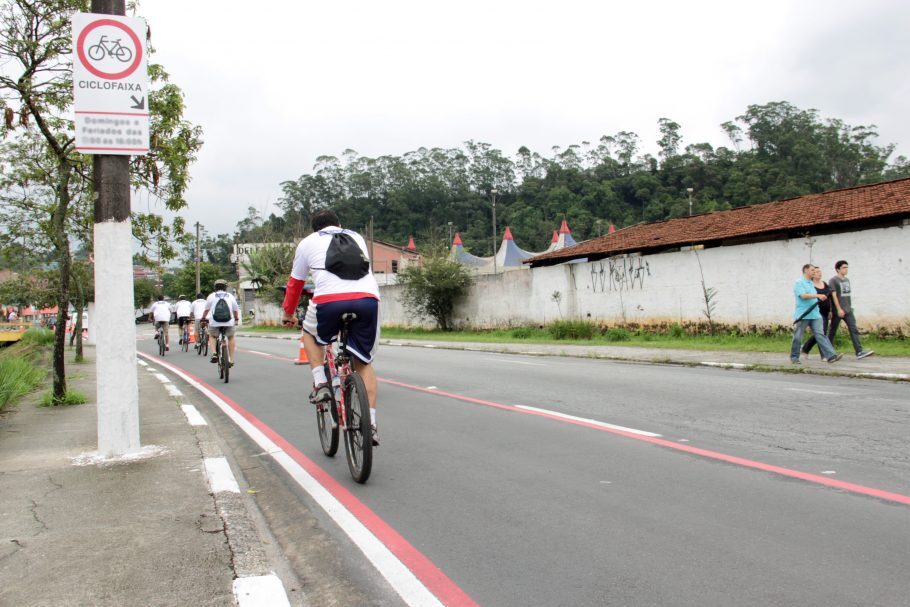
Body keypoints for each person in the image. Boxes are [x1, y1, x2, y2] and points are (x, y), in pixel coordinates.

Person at [280, 209, 381, 446]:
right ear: (339, 223)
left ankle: (322, 383)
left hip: (328, 301)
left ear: (315, 228)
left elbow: (295, 284)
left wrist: (288, 313)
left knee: (310, 333)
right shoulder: (357, 237)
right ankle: (372, 425)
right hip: (367, 300)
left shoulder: (307, 243)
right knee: (363, 364)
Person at [790, 263, 842, 364]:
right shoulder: (799, 282)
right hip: (804, 314)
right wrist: (818, 295)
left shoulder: (810, 283)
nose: (814, 272)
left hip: (815, 314)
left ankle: (831, 355)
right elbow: (803, 296)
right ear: (806, 271)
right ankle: (794, 357)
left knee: (821, 334)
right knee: (798, 336)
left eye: (815, 270)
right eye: (812, 270)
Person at [827, 260, 874, 359]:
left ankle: (859, 352)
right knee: (832, 331)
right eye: (844, 267)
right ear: (838, 269)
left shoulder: (847, 280)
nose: (846, 269)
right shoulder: (833, 280)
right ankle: (828, 352)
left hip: (848, 310)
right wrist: (838, 309)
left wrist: (849, 308)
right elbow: (833, 295)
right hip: (838, 311)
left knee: (854, 329)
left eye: (847, 267)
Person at [201, 279, 240, 366]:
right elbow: (235, 310)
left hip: (215, 322)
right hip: (228, 322)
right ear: (226, 288)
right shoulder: (230, 296)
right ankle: (232, 360)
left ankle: (214, 353)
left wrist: (203, 318)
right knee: (230, 337)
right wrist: (236, 318)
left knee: (212, 336)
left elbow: (206, 310)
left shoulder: (211, 296)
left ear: (215, 287)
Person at [800, 265, 832, 359]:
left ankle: (806, 348)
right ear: (813, 274)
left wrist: (830, 310)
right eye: (816, 272)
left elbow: (829, 297)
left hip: (826, 312)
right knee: (821, 333)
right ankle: (824, 355)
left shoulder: (825, 284)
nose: (819, 273)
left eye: (820, 271)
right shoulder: (811, 285)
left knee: (820, 333)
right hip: (817, 312)